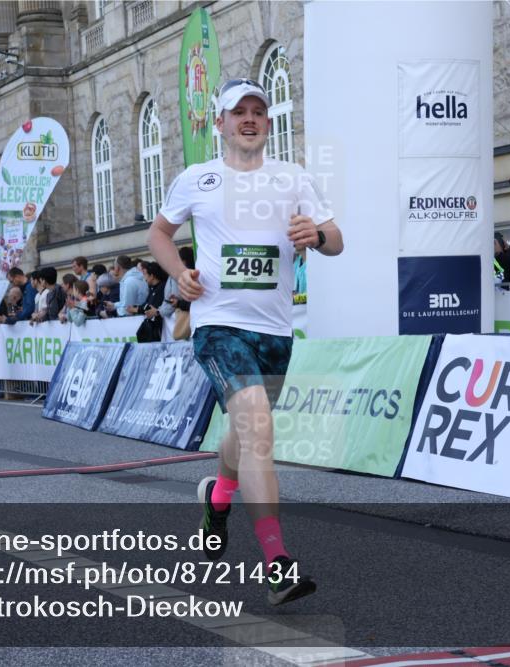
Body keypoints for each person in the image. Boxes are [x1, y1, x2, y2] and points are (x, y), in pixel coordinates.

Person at [148, 77, 344, 605]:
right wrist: (179, 275)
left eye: (258, 111)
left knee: (246, 431)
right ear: (221, 124)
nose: (250, 119)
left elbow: (336, 241)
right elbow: (159, 234)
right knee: (256, 424)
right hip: (219, 326)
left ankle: (219, 497)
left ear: (268, 122)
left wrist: (317, 237)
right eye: (239, 112)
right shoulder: (198, 178)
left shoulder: (293, 178)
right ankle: (277, 562)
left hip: (276, 331)